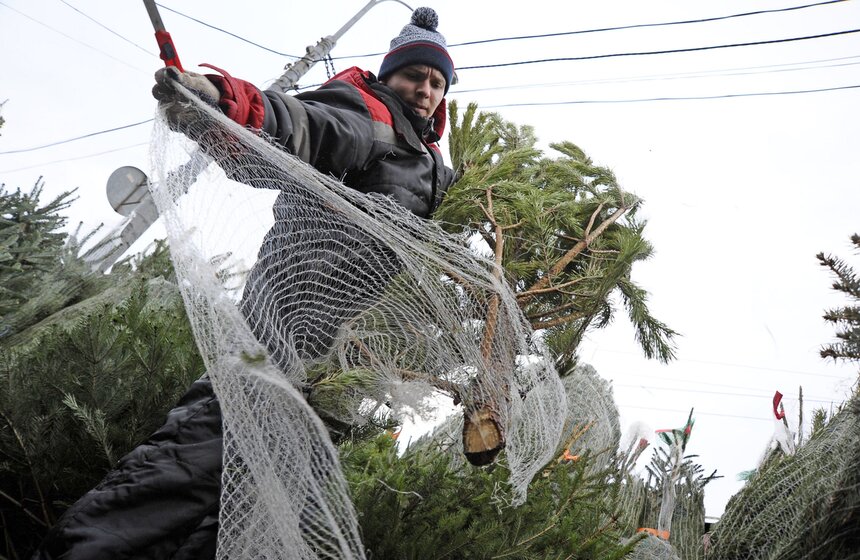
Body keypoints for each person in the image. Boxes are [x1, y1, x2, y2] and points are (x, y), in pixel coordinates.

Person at [34, 7, 457, 559]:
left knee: (250, 503)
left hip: (332, 364)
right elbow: (303, 127)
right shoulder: (371, 115)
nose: (423, 89)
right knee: (197, 457)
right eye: (413, 75)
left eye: (435, 81)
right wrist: (219, 100)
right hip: (279, 327)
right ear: (389, 75)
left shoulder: (434, 167)